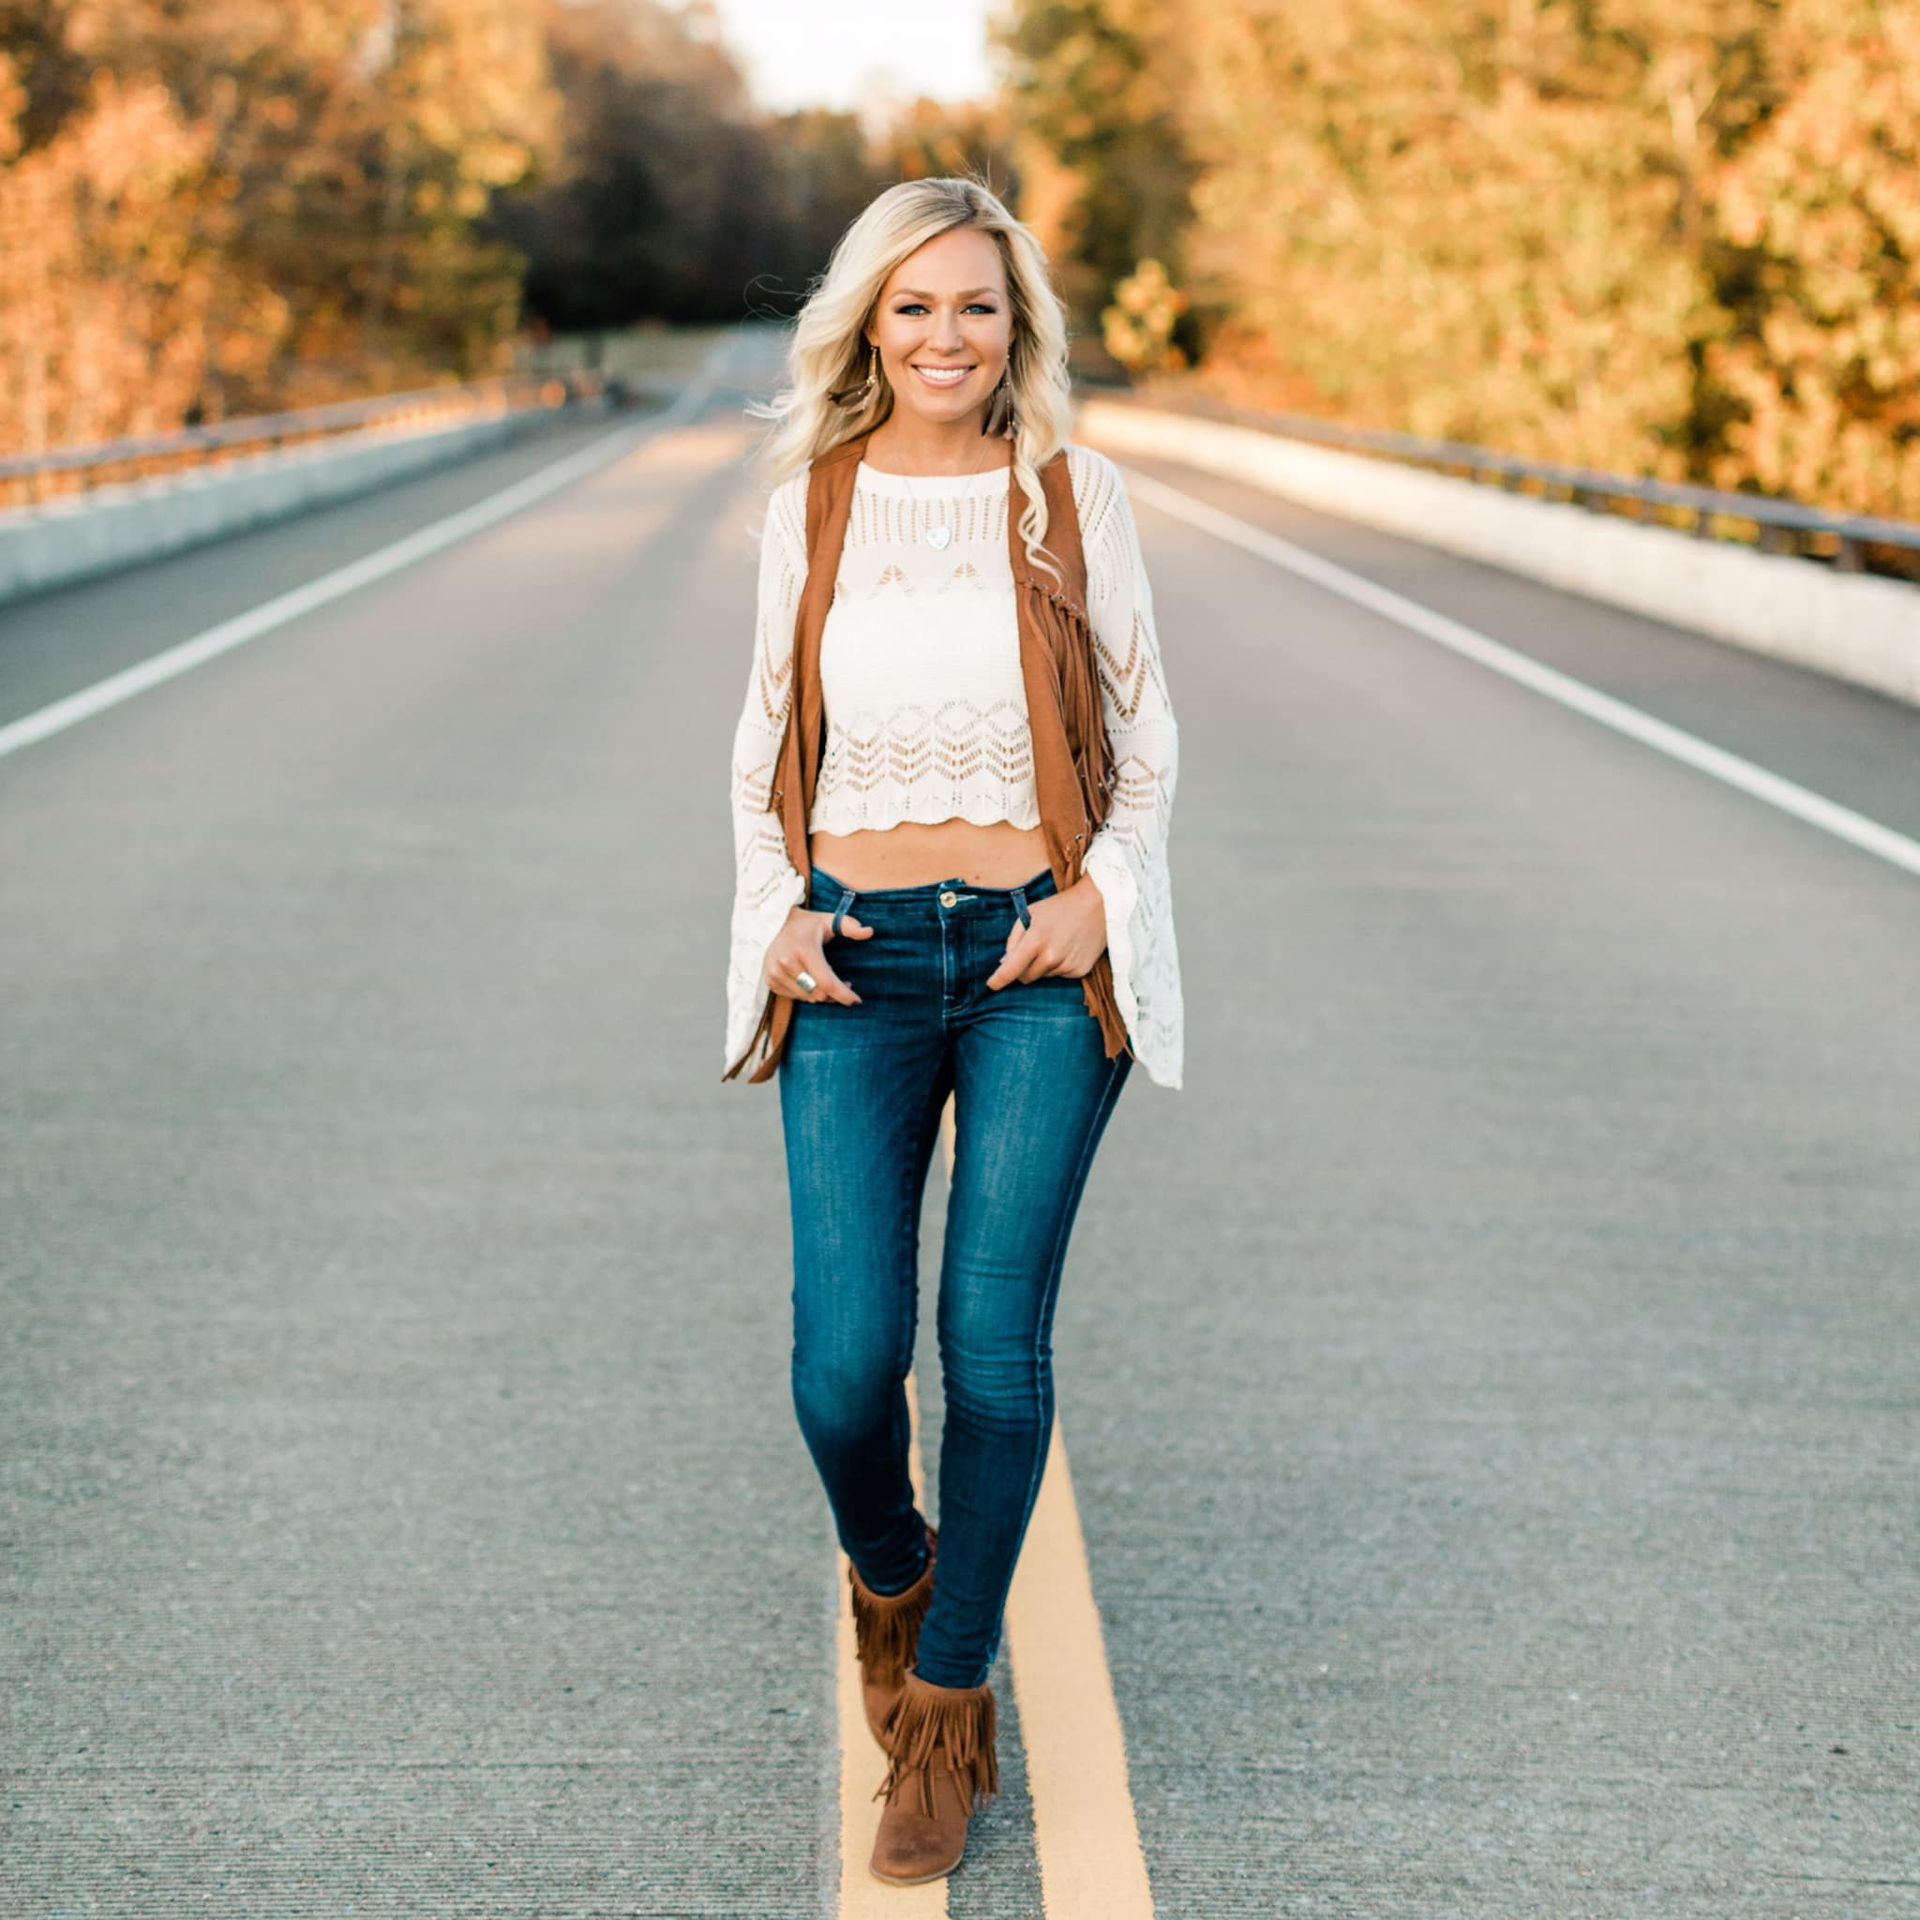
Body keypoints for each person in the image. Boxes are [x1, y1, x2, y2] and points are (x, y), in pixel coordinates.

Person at [723, 173, 1183, 1886]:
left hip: (1033, 964)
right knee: (845, 1373)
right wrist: (773, 911)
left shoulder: (1076, 498)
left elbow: (1146, 740)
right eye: (911, 306)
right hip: (855, 955)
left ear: (1019, 328)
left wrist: (1099, 902)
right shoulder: (816, 507)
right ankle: (894, 1567)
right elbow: (764, 735)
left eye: (976, 306)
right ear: (867, 323)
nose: (943, 335)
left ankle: (945, 1707)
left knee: (991, 1352)